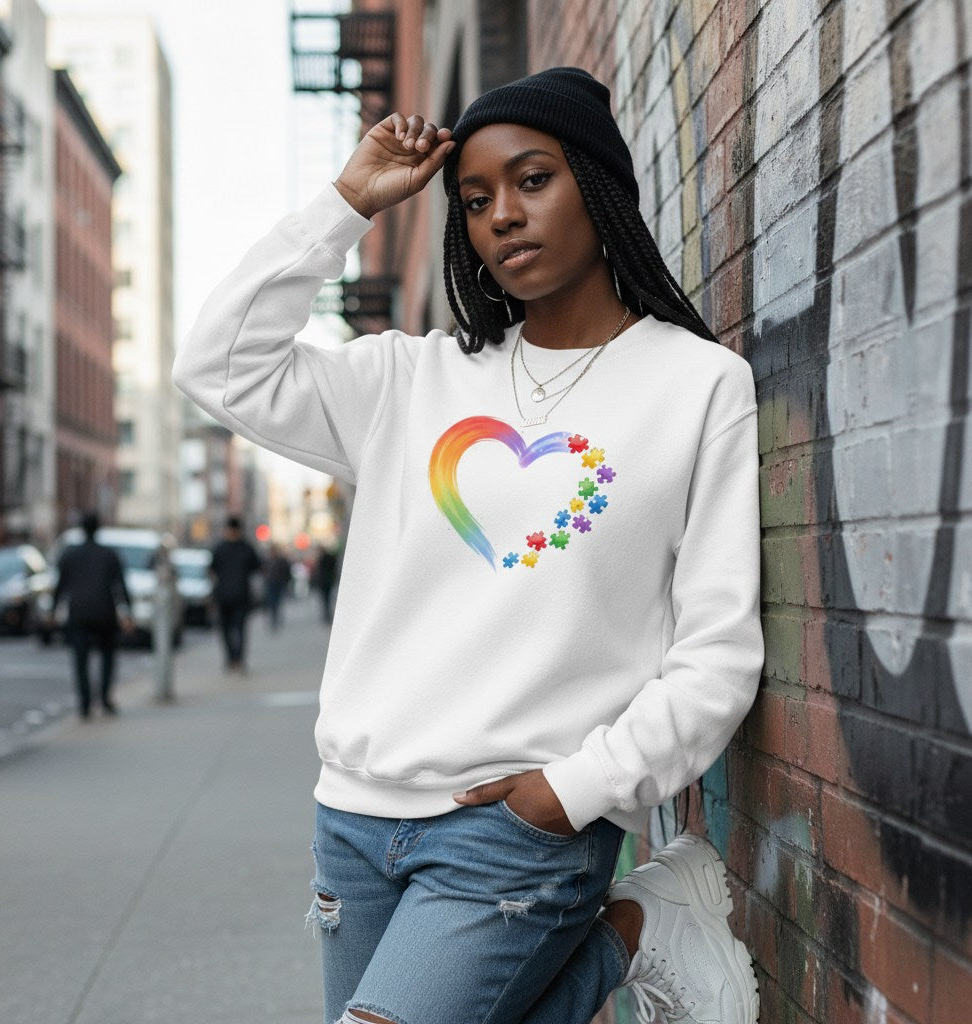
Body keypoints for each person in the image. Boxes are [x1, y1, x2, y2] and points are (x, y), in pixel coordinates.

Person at [174, 67, 763, 1024]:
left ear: (599, 185)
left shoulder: (697, 386)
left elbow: (719, 651)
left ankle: (625, 929)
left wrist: (578, 791)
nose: (502, 216)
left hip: (517, 830)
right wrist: (347, 203)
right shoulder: (413, 379)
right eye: (476, 198)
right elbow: (218, 366)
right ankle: (640, 933)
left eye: (534, 180)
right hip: (353, 824)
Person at [50, 511, 132, 719]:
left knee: (80, 660)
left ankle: (85, 705)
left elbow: (60, 586)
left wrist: (53, 610)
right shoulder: (109, 554)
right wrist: (128, 612)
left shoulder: (70, 554)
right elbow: (121, 585)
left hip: (78, 613)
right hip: (105, 612)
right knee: (107, 657)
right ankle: (104, 698)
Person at [210, 515, 261, 672]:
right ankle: (236, 659)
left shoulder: (220, 548)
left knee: (229, 629)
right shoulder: (246, 547)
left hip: (227, 595)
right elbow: (257, 567)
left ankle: (233, 659)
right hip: (239, 595)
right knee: (238, 629)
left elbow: (212, 571)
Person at [263, 543, 293, 630]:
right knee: (272, 602)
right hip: (270, 583)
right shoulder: (267, 560)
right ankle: (273, 618)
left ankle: (276, 617)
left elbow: (287, 571)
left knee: (277, 601)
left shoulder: (281, 560)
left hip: (279, 583)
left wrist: (286, 581)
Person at [310, 545, 339, 625]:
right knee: (328, 598)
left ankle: (327, 614)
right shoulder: (330, 557)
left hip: (323, 582)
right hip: (328, 581)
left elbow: (318, 571)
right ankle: (328, 614)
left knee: (325, 599)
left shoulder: (321, 559)